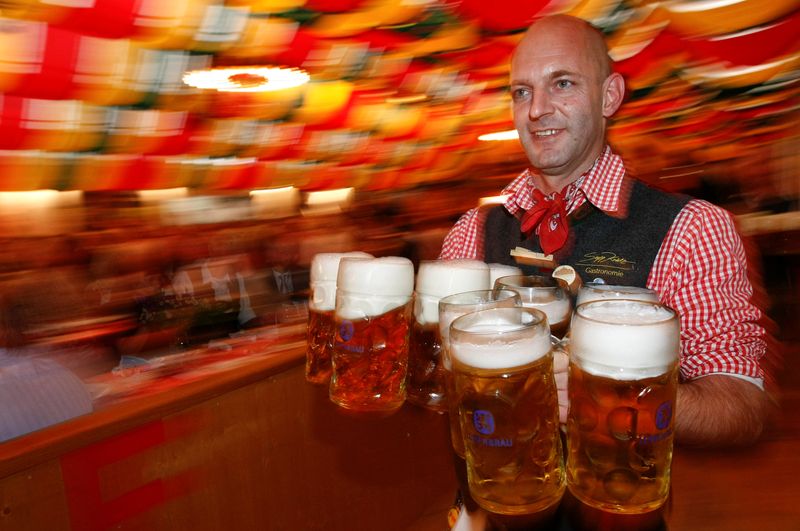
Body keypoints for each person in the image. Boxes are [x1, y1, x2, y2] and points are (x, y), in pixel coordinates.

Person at [440, 14, 769, 450]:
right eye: (522, 92)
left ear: (609, 96)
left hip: (614, 507)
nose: (537, 109)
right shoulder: (471, 232)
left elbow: (742, 403)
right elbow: (440, 384)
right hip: (485, 504)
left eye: (562, 84)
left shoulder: (691, 229)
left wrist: (609, 398)